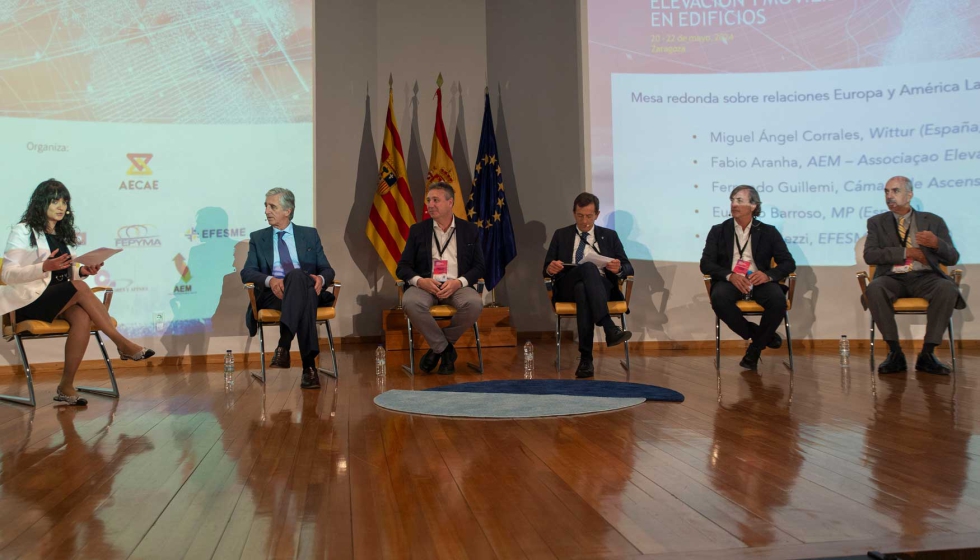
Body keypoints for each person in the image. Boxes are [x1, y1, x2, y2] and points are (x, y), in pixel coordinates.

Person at [0, 179, 155, 406]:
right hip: (27, 303)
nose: (61, 207)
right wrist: (44, 267)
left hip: (55, 299)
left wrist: (82, 270)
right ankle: (122, 344)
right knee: (81, 289)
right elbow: (8, 275)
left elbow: (64, 272)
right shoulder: (23, 230)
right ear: (41, 203)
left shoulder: (61, 233)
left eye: (64, 202)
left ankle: (65, 386)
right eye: (55, 201)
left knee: (82, 317)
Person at [864, 176, 964, 375]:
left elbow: (952, 257)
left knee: (947, 287)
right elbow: (870, 255)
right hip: (893, 277)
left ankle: (927, 354)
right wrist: (906, 253)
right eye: (886, 192)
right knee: (874, 288)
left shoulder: (933, 221)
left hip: (925, 277)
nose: (889, 196)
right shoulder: (876, 222)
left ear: (909, 195)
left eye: (895, 191)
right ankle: (895, 353)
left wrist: (937, 244)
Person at [241, 188, 335, 389]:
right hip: (273, 295)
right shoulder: (258, 238)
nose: (266, 211)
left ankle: (284, 344)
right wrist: (270, 280)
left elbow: (327, 269)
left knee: (297, 276)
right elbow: (247, 272)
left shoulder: (309, 235)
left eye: (272, 206)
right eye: (266, 206)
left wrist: (320, 277)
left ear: (288, 211)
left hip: (305, 291)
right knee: (304, 291)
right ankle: (309, 368)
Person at [700, 185, 795, 370]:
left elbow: (788, 263)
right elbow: (706, 264)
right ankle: (763, 336)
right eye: (732, 200)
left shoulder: (769, 231)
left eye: (739, 201)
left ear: (753, 206)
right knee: (718, 299)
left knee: (777, 300)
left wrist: (768, 275)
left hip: (758, 280)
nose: (734, 204)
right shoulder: (718, 230)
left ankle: (755, 349)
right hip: (731, 280)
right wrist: (730, 275)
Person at [397, 182, 485, 374]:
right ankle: (445, 350)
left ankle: (439, 349)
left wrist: (458, 282)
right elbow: (402, 267)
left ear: (450, 202)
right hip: (426, 286)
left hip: (456, 286)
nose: (430, 204)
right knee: (410, 302)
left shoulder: (469, 230)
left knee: (474, 303)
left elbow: (480, 266)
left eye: (436, 200)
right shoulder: (418, 230)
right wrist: (420, 281)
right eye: (429, 200)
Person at [543, 192, 633, 378]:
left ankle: (586, 360)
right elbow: (546, 269)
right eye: (580, 216)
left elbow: (627, 267)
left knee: (583, 289)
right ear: (574, 213)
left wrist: (618, 269)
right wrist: (551, 268)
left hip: (600, 287)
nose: (584, 221)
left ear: (597, 215)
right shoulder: (562, 235)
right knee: (587, 269)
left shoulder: (609, 236)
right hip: (567, 285)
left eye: (589, 216)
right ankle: (608, 326)